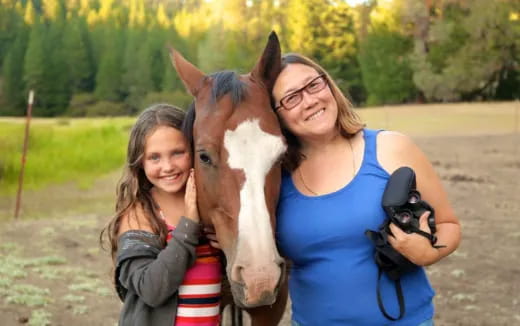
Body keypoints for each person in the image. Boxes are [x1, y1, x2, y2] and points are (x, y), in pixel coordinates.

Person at [271, 54, 461, 326]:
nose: (310, 100)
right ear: (276, 115)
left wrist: (429, 253)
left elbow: (449, 224)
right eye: (292, 98)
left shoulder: (391, 147)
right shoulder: (275, 179)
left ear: (329, 85)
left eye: (313, 85)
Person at [101, 104, 222, 326]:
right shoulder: (140, 214)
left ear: (194, 150)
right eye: (154, 158)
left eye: (177, 153)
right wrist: (188, 228)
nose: (167, 166)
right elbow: (152, 290)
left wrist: (226, 246)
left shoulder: (208, 206)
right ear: (140, 163)